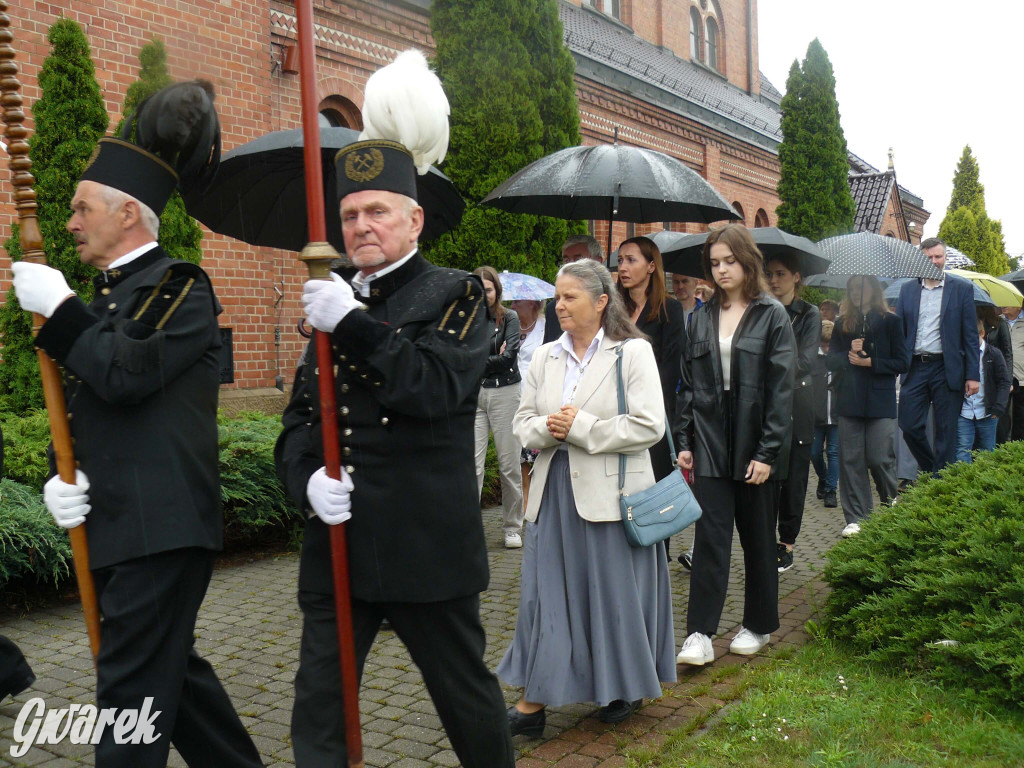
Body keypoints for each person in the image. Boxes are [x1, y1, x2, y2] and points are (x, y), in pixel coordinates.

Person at [11, 84, 264, 768]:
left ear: (128, 214)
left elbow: (125, 372)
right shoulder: (111, 299)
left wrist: (62, 310)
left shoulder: (181, 286)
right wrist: (65, 479)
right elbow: (105, 412)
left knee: (128, 706)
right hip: (127, 524)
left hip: (161, 528)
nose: (68, 222)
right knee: (172, 683)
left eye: (80, 208)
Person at [275, 52, 515, 767]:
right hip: (339, 548)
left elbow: (433, 390)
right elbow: (298, 422)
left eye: (377, 211)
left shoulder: (456, 295)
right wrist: (305, 484)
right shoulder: (329, 301)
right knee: (318, 715)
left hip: (424, 550)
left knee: (468, 707)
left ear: (414, 219)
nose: (361, 226)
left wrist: (349, 322)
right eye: (349, 214)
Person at [499, 258, 675, 733]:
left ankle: (621, 687)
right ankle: (533, 703)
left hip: (612, 494)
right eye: (557, 297)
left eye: (569, 297)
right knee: (545, 597)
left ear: (601, 302)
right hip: (554, 492)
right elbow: (523, 422)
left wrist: (582, 428)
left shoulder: (632, 353)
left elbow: (649, 425)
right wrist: (551, 431)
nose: (559, 306)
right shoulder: (545, 356)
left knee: (612, 596)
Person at [674, 224, 796, 666]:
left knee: (759, 539)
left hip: (755, 443)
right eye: (714, 263)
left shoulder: (771, 315)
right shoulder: (701, 317)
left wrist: (767, 453)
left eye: (729, 261)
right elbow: (688, 385)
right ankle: (700, 634)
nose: (721, 270)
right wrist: (685, 439)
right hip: (709, 442)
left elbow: (782, 391)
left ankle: (759, 624)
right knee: (709, 538)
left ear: (747, 261)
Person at [829, 275, 907, 536]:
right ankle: (857, 517)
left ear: (873, 291)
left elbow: (902, 362)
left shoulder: (891, 322)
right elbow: (831, 361)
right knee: (850, 461)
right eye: (851, 287)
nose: (855, 292)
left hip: (879, 400)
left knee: (879, 457)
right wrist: (848, 355)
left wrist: (871, 362)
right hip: (849, 400)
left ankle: (891, 501)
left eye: (861, 287)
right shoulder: (842, 324)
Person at [895, 238, 980, 476]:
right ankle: (933, 468)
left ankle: (939, 482)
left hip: (947, 368)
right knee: (909, 425)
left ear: (944, 258)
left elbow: (970, 336)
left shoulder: (961, 289)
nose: (933, 261)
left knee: (946, 431)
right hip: (915, 367)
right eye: (928, 257)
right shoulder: (908, 290)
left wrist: (973, 375)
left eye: (938, 256)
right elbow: (900, 330)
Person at [765, 253, 820, 574]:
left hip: (797, 402)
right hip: (766, 404)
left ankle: (787, 543)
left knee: (795, 476)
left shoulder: (808, 315)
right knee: (767, 472)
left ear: (796, 277)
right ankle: (763, 538)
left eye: (780, 273)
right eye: (769, 273)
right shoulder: (761, 311)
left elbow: (806, 360)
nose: (773, 280)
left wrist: (768, 371)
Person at [472, 266, 524, 548]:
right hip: (474, 394)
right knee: (473, 466)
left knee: (508, 465)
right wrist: (489, 356)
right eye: (479, 289)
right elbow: (459, 355)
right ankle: (469, 527)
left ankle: (513, 527)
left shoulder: (510, 318)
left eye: (488, 289)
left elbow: (509, 358)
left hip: (505, 392)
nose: (484, 295)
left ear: (497, 291)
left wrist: (476, 359)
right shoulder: (467, 319)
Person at [956, 319, 1011, 463]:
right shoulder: (960, 355)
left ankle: (984, 483)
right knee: (962, 449)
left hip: (987, 412)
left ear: (982, 333)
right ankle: (961, 483)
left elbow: (1004, 382)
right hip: (964, 411)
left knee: (987, 451)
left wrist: (998, 408)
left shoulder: (994, 354)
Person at [512, 298, 546, 509]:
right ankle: (526, 497)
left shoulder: (544, 327)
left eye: (517, 302)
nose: (512, 306)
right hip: (513, 392)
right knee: (522, 451)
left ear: (532, 303)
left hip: (538, 392)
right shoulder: (509, 325)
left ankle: (540, 496)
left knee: (537, 449)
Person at [542, 234, 604, 343]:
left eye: (578, 259)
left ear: (597, 261)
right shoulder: (553, 309)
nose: (570, 266)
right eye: (566, 260)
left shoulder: (618, 303)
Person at [811, 319, 839, 508]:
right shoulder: (813, 359)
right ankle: (823, 477)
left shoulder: (839, 359)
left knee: (834, 453)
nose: (826, 348)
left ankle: (831, 490)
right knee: (814, 453)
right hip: (816, 416)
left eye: (829, 344)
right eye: (823, 344)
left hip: (837, 415)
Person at [977, 306, 1013, 443]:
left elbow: (1007, 353)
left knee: (1000, 419)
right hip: (978, 373)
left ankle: (1000, 452)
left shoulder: (999, 323)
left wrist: (1008, 380)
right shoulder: (970, 321)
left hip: (997, 372)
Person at [1002, 304, 1024, 440]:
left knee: (1020, 415)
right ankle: (1001, 447)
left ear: (1019, 307)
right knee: (1002, 414)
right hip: (1002, 376)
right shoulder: (997, 322)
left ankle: (1018, 448)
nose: (1004, 305)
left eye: (1008, 302)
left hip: (1021, 376)